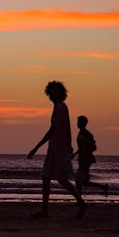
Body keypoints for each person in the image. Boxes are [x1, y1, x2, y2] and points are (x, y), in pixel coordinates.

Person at [28, 80, 86, 218]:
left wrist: (36, 147)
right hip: (53, 148)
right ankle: (45, 210)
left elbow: (53, 130)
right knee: (46, 177)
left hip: (61, 149)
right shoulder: (58, 107)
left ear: (60, 93)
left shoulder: (60, 108)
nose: (53, 93)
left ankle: (81, 203)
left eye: (56, 90)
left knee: (62, 179)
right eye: (52, 91)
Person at [72, 115, 108, 196]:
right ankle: (103, 187)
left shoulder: (87, 134)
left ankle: (79, 200)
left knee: (78, 180)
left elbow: (93, 148)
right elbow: (81, 147)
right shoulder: (80, 132)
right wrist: (74, 154)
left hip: (86, 159)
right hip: (82, 159)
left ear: (83, 123)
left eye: (79, 122)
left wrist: (85, 152)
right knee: (84, 182)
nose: (77, 123)